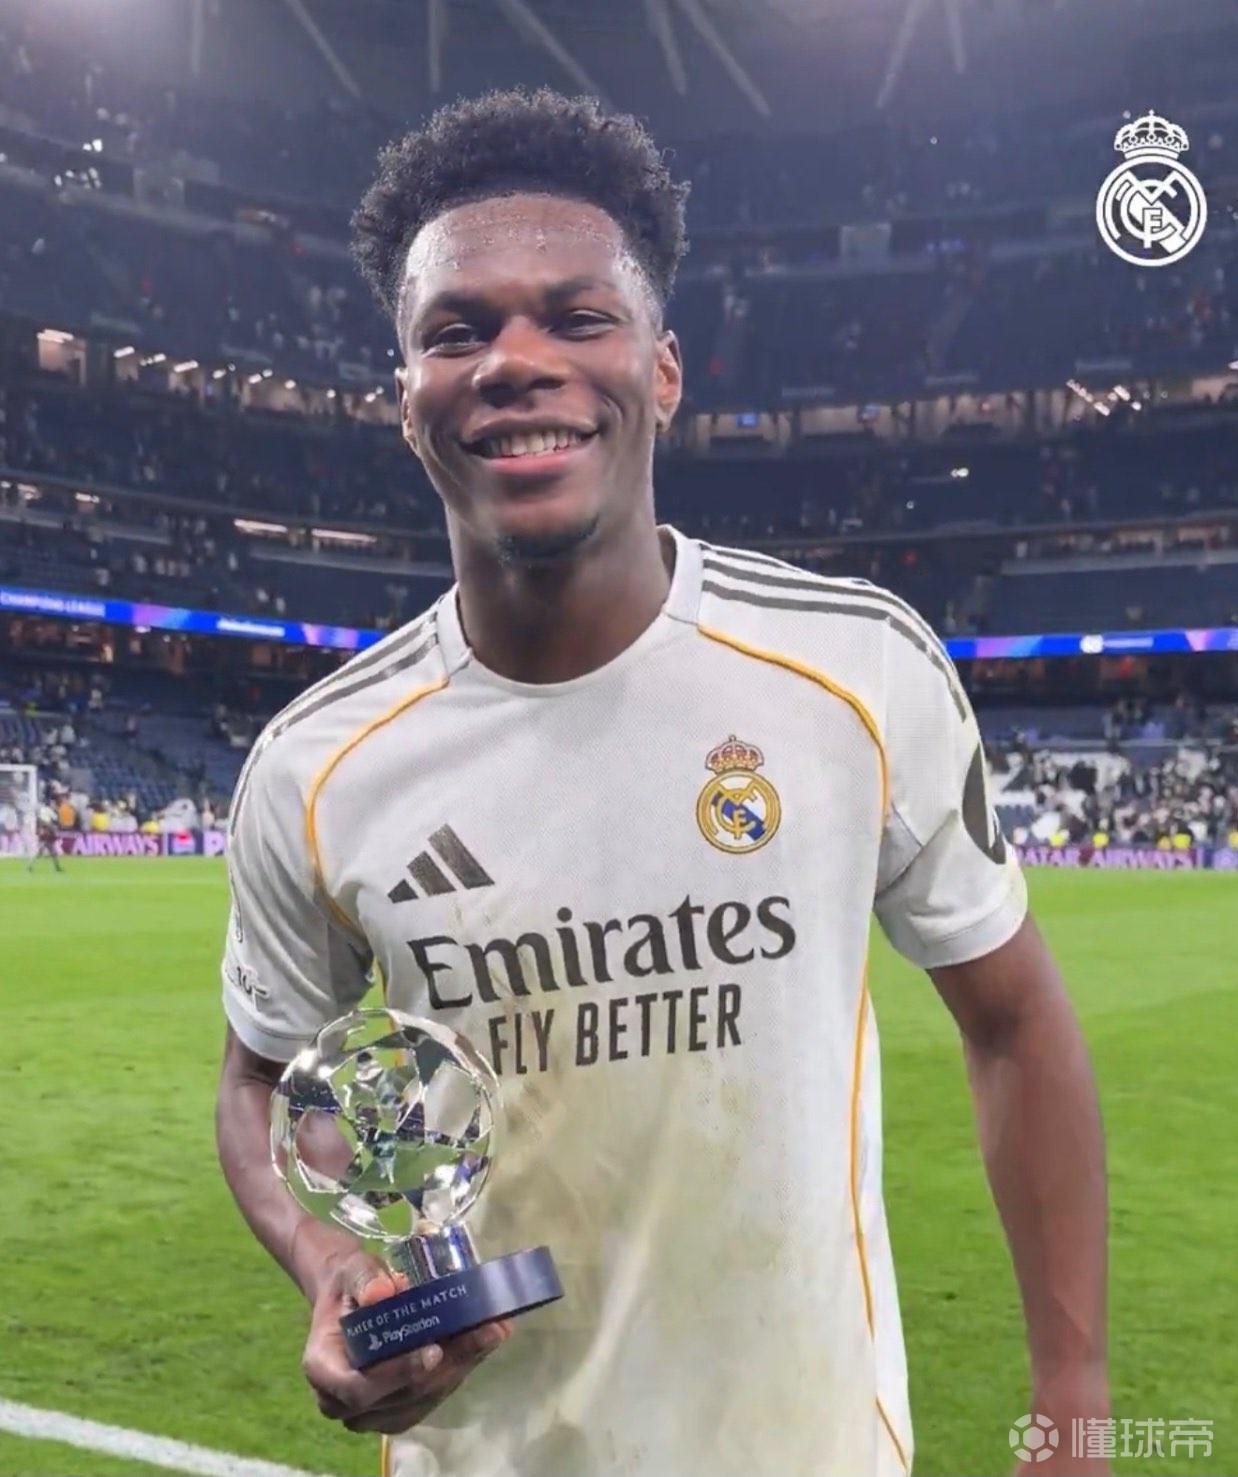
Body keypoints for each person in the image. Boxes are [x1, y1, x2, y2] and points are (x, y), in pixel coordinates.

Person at [216, 89, 1109, 1477]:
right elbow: (261, 1084)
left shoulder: (853, 671)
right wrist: (325, 1253)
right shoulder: (315, 768)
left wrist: (1071, 1390)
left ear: (664, 369)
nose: (515, 361)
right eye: (455, 331)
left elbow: (1013, 1022)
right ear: (406, 403)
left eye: (577, 317)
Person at [27, 800, 64, 873]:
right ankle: (30, 866)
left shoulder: (43, 813)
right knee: (41, 852)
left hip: (47, 836)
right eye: (52, 804)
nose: (54, 805)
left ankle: (57, 867)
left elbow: (44, 824)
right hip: (46, 836)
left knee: (52, 852)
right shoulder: (47, 812)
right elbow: (50, 822)